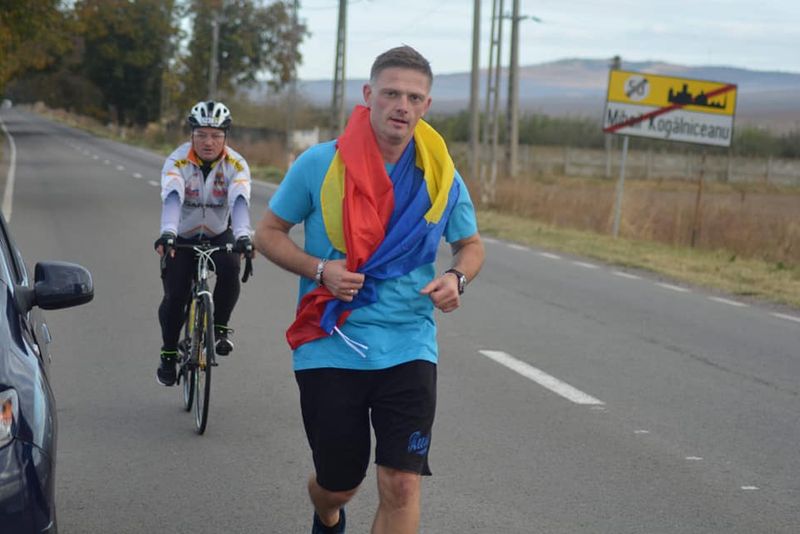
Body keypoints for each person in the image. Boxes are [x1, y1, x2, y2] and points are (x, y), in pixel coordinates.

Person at [254, 46, 485, 533]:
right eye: (391, 93)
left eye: (414, 97)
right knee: (339, 483)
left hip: (409, 343)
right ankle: (327, 511)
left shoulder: (441, 175)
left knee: (402, 484)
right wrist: (320, 270)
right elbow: (268, 233)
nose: (402, 105)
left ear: (426, 106)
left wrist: (456, 277)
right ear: (368, 95)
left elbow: (470, 244)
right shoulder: (320, 164)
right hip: (331, 342)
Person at [154, 100, 254, 387]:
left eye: (215, 135)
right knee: (175, 295)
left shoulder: (236, 164)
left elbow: (239, 201)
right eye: (201, 135)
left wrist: (244, 236)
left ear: (225, 137)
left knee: (231, 266)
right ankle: (169, 353)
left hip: (218, 232)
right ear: (192, 135)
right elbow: (173, 197)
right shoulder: (177, 162)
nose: (208, 142)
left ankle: (220, 328)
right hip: (182, 235)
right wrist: (168, 233)